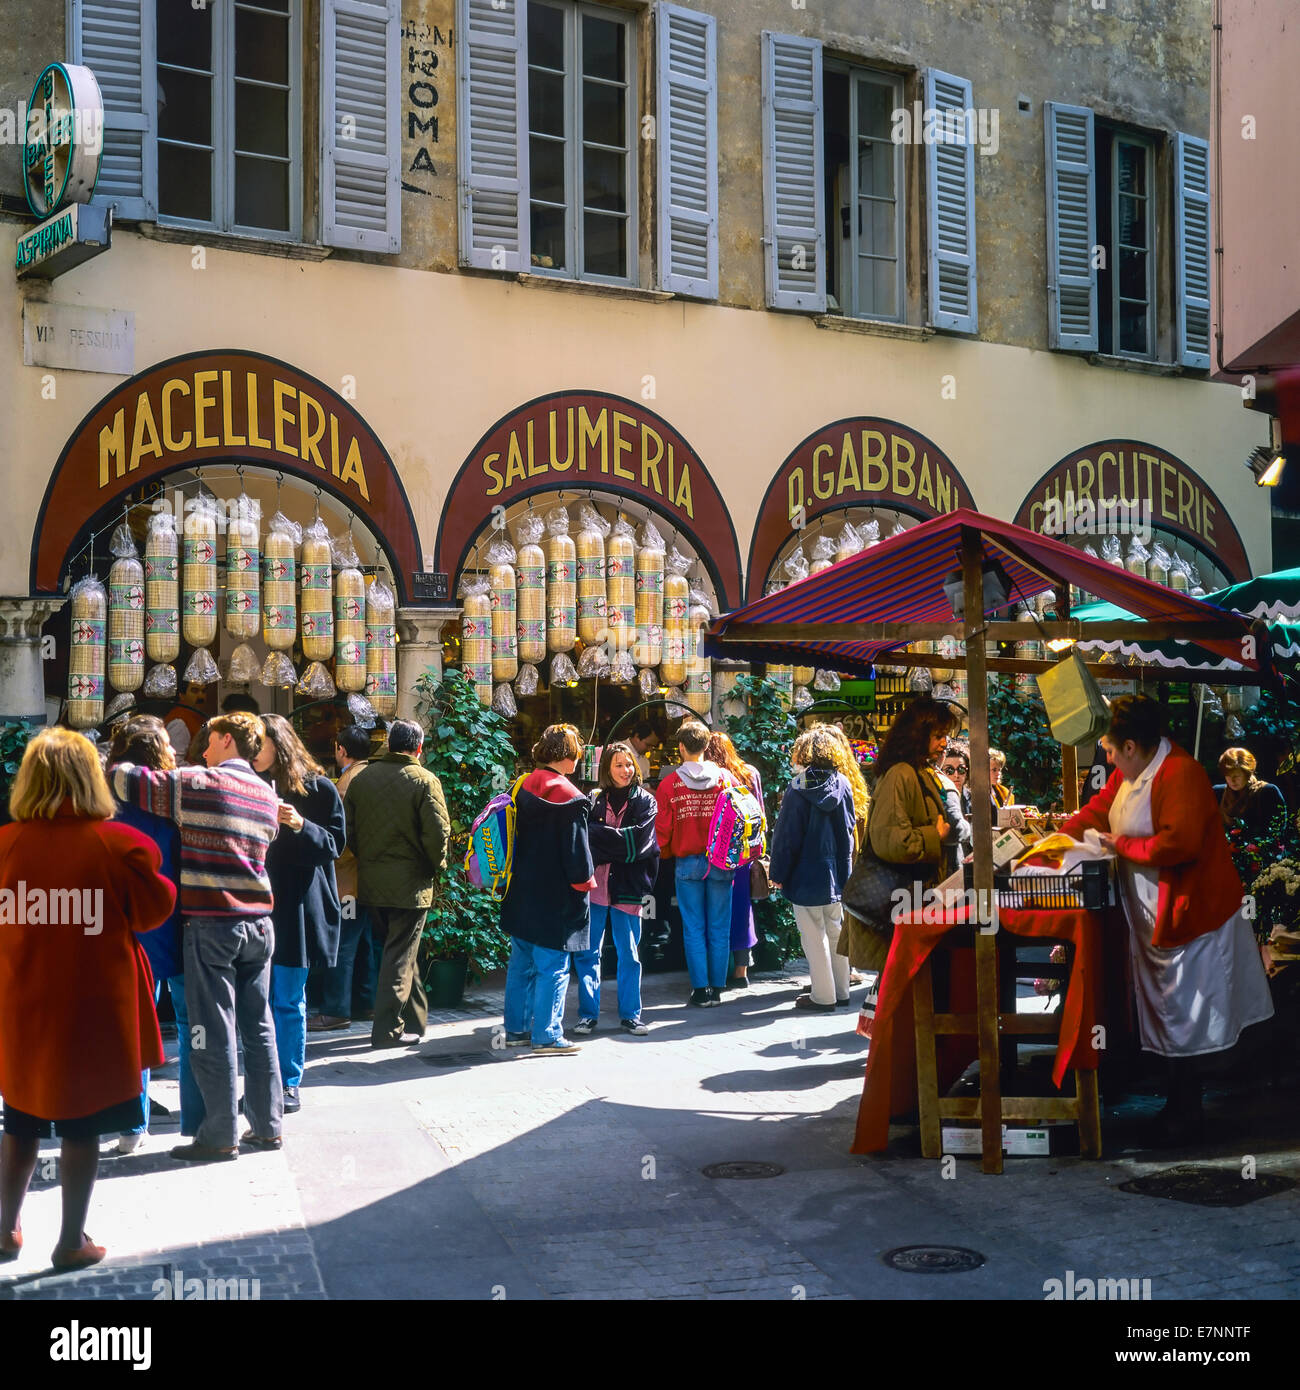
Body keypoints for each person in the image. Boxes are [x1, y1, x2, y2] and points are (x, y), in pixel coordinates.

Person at [0, 729, 175, 1269]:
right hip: (94, 1009)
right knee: (83, 1125)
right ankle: (71, 1241)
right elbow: (153, 912)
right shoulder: (119, 845)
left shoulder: (5, 846)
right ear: (90, 776)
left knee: (20, 1122)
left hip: (21, 1004)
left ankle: (5, 1230)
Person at [1062, 696, 1274, 1142]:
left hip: (1193, 918)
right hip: (1155, 919)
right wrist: (1052, 841)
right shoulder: (1132, 772)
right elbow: (1099, 809)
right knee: (1169, 1014)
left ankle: (1186, 1112)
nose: (1108, 755)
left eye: (1111, 748)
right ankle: (1177, 1106)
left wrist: (1118, 845)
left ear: (1133, 746)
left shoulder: (1181, 773)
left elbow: (1179, 844)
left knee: (1187, 1016)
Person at [111, 712, 284, 1161]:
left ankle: (218, 1134)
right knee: (259, 1027)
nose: (201, 750)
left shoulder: (199, 784)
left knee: (211, 1030)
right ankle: (268, 1126)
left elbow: (127, 779)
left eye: (209, 740)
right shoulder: (267, 795)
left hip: (213, 923)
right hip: (260, 924)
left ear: (227, 741)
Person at [107, 715, 202, 1150]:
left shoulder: (105, 798)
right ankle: (198, 1121)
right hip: (177, 919)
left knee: (132, 1029)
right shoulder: (175, 795)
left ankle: (132, 1127)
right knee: (191, 1025)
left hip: (123, 925)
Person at [254, 715, 345, 1114]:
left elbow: (335, 844)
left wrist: (298, 823)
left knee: (288, 1000)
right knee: (255, 1003)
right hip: (253, 906)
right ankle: (261, 1080)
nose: (254, 750)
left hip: (296, 908)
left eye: (260, 742)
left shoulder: (319, 789)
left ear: (280, 743)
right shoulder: (246, 785)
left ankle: (288, 1083)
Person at [344, 718, 450, 1049]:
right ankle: (387, 1031)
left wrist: (369, 859)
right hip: (410, 883)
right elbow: (438, 834)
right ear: (419, 747)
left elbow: (349, 831)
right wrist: (438, 865)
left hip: (373, 881)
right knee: (399, 956)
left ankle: (416, 1019)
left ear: (389, 744)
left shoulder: (363, 779)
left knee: (399, 953)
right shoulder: (425, 780)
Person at [840, 698, 957, 972]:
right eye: (939, 736)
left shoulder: (918, 771)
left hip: (912, 902)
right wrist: (934, 835)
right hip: (899, 904)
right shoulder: (901, 775)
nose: (944, 744)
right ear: (919, 735)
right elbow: (892, 841)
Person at [500, 724, 596, 1054]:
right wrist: (585, 886)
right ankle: (547, 1035)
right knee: (554, 967)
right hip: (555, 897)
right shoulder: (570, 797)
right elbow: (577, 856)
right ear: (567, 755)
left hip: (520, 890)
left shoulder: (522, 785)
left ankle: (515, 1030)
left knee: (520, 965)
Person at [572, 741, 659, 1036]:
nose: (626, 770)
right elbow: (584, 840)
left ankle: (631, 1015)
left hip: (630, 886)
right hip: (595, 885)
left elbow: (637, 847)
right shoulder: (594, 798)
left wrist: (602, 839)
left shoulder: (645, 801)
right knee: (587, 952)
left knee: (630, 953)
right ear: (607, 769)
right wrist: (615, 841)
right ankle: (587, 1014)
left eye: (629, 764)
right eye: (619, 765)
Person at [768, 728, 856, 1011]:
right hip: (837, 872)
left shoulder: (797, 787)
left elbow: (786, 837)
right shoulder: (843, 783)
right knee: (836, 931)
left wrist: (778, 874)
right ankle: (841, 991)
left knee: (813, 937)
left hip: (806, 874)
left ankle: (823, 996)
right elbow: (850, 827)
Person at [655, 720, 736, 1006]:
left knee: (693, 927)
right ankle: (718, 986)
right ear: (706, 746)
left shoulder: (670, 784)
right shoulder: (726, 779)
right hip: (721, 860)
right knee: (719, 925)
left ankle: (700, 989)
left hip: (687, 861)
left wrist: (663, 854)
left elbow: (662, 828)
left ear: (680, 748)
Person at [311, 725, 379, 1031]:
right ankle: (367, 1002)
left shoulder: (345, 783)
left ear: (341, 749)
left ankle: (335, 1009)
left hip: (348, 878)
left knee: (344, 942)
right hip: (370, 877)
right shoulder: (374, 775)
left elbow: (342, 839)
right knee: (363, 941)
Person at [703, 731, 764, 988]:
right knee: (742, 910)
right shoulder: (750, 773)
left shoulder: (712, 778)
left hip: (717, 853)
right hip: (744, 855)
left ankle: (717, 971)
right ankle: (741, 972)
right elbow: (760, 813)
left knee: (714, 911)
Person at [1214, 747, 1287, 835]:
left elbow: (1278, 830)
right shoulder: (1218, 793)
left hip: (1259, 847)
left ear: (1247, 773)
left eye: (1236, 776)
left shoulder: (1267, 792)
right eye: (1228, 775)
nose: (1232, 780)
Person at [937, 741, 973, 876]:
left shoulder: (974, 798)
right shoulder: (940, 795)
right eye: (949, 770)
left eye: (961, 769)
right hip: (948, 865)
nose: (956, 775)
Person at [163, 679, 209, 764]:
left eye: (203, 691)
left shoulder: (199, 717)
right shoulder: (179, 722)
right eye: (195, 691)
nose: (200, 696)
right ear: (182, 695)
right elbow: (175, 763)